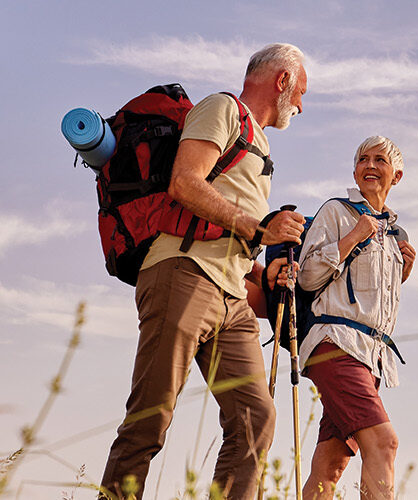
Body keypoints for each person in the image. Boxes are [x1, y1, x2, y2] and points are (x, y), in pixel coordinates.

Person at [99, 43, 310, 500]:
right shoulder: (223, 109)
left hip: (231, 296)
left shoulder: (260, 142)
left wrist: (260, 274)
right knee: (151, 416)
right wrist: (261, 226)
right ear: (282, 81)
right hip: (183, 274)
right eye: (301, 93)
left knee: (256, 416)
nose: (300, 105)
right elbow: (185, 183)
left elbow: (226, 228)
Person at [296, 136, 416, 500]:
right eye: (363, 159)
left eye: (380, 160)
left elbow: (372, 299)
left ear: (396, 175)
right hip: (335, 344)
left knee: (331, 464)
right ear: (354, 170)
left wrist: (404, 271)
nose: (370, 165)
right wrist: (352, 237)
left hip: (371, 356)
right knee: (384, 442)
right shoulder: (336, 212)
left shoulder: (396, 234)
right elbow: (307, 276)